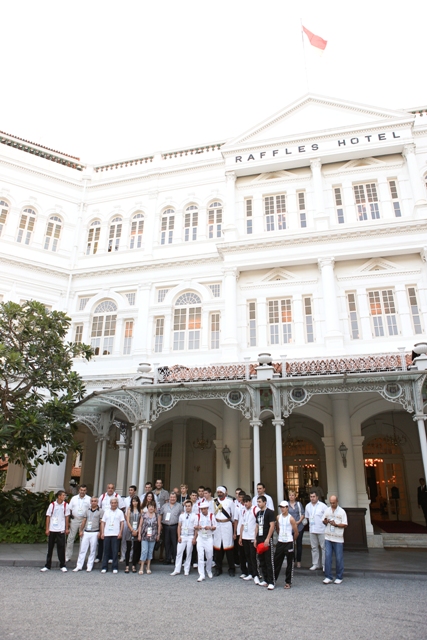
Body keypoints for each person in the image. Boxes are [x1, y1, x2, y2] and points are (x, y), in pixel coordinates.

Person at [41, 490, 70, 572]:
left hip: (61, 529)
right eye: (63, 495)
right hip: (52, 528)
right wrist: (47, 528)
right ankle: (47, 565)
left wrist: (66, 528)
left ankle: (62, 565)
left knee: (61, 547)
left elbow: (67, 517)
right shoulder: (52, 505)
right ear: (59, 496)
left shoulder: (66, 505)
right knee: (50, 547)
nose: (64, 497)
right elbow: (48, 516)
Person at [73, 496, 104, 572]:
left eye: (95, 501)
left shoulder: (101, 511)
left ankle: (89, 566)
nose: (93, 502)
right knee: (82, 549)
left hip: (95, 532)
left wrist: (100, 532)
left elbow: (101, 523)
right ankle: (79, 565)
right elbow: (84, 520)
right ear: (90, 502)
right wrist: (81, 530)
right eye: (92, 501)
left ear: (97, 502)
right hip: (86, 531)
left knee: (93, 550)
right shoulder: (87, 510)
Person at [322, 495, 348, 584]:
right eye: (331, 502)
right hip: (328, 536)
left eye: (333, 502)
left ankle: (339, 576)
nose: (332, 504)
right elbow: (323, 520)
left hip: (338, 538)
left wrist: (336, 524)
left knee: (339, 558)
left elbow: (345, 524)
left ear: (337, 501)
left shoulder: (342, 512)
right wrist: (325, 521)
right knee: (328, 556)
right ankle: (328, 576)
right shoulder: (327, 510)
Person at [274, 501, 299, 589]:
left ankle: (288, 582)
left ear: (287, 508)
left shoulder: (291, 518)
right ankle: (273, 580)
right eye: (281, 507)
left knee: (289, 563)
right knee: (277, 561)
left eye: (284, 507)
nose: (282, 509)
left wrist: (292, 540)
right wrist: (279, 535)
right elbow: (277, 528)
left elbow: (296, 532)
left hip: (289, 542)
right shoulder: (278, 517)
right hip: (280, 542)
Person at [213, 486, 236, 577]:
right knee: (218, 549)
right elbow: (212, 514)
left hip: (227, 525)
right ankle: (218, 569)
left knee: (229, 548)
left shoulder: (230, 502)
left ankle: (231, 569)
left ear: (224, 492)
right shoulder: (214, 502)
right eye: (218, 492)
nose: (219, 493)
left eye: (220, 492)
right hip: (217, 526)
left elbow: (233, 516)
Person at [171, 499, 197, 576]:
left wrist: (194, 538)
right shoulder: (182, 515)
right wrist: (179, 536)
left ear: (191, 507)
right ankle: (177, 569)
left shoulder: (195, 516)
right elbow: (179, 526)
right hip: (183, 535)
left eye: (189, 506)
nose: (188, 508)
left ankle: (186, 569)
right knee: (179, 552)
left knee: (188, 553)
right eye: (186, 506)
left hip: (190, 536)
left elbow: (196, 528)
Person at [254, 495, 276, 589]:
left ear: (264, 502)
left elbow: (272, 526)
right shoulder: (258, 513)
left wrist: (268, 538)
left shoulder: (270, 513)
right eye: (257, 502)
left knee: (268, 560)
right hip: (259, 538)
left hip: (267, 538)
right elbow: (257, 526)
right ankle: (265, 579)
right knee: (261, 560)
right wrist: (255, 538)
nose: (258, 504)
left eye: (260, 502)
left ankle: (271, 581)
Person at [66, 484, 91, 562]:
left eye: (84, 490)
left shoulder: (89, 499)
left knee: (82, 539)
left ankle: (81, 557)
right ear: (79, 490)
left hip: (84, 520)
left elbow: (91, 510)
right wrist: (70, 519)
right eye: (81, 490)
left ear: (86, 491)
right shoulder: (74, 498)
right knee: (70, 538)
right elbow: (69, 509)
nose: (82, 492)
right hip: (75, 520)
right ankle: (67, 556)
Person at [100, 497, 124, 574]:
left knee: (115, 551)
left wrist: (120, 532)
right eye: (112, 503)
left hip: (115, 534)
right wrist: (102, 533)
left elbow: (122, 523)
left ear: (117, 504)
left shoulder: (120, 512)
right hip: (107, 534)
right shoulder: (106, 512)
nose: (113, 504)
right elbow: (103, 522)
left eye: (115, 503)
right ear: (110, 504)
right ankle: (104, 567)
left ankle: (115, 567)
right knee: (106, 551)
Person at [305, 490, 327, 571]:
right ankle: (315, 564)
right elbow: (307, 517)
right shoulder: (307, 506)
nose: (312, 498)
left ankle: (325, 565)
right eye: (311, 497)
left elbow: (327, 517)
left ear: (317, 497)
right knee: (314, 548)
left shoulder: (323, 506)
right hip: (312, 529)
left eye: (314, 497)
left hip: (321, 529)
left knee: (324, 548)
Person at [158, 491, 183, 565]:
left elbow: (182, 516)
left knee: (175, 543)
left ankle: (175, 559)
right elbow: (160, 515)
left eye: (174, 497)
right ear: (169, 498)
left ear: (176, 498)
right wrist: (159, 524)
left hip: (175, 526)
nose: (172, 499)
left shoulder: (180, 506)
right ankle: (167, 558)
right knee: (166, 543)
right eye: (171, 497)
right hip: (165, 526)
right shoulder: (164, 506)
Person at [195, 500, 217, 582]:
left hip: (208, 537)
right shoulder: (197, 516)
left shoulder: (211, 515)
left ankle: (208, 570)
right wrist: (198, 527)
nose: (203, 510)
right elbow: (194, 526)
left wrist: (210, 527)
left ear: (207, 508)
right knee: (200, 556)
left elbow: (215, 526)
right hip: (200, 537)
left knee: (209, 555)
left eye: (204, 509)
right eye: (202, 509)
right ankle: (201, 574)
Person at [238, 495, 258, 582]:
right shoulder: (244, 511)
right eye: (244, 502)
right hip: (245, 536)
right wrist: (241, 537)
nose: (245, 504)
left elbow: (258, 524)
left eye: (246, 502)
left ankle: (256, 574)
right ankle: (250, 573)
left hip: (252, 537)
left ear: (250, 501)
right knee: (247, 556)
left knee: (253, 556)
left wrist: (256, 537)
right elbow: (242, 524)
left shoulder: (255, 509)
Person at [140, 502, 160, 574]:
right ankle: (142, 566)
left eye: (153, 506)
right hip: (145, 535)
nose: (151, 508)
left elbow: (159, 525)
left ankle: (148, 566)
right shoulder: (143, 515)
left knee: (150, 551)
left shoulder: (157, 515)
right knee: (144, 550)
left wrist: (158, 535)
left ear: (154, 508)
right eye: (150, 506)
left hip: (153, 535)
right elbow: (140, 525)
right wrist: (139, 534)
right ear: (147, 507)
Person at [287, 490, 305, 568]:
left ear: (295, 496)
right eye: (290, 495)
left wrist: (298, 522)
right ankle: (292, 560)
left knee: (299, 544)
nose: (291, 497)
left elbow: (302, 514)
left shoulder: (298, 504)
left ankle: (298, 561)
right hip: (290, 527)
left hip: (299, 527)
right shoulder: (286, 505)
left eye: (293, 495)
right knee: (290, 545)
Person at [124, 495, 142, 573]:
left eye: (136, 501)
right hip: (129, 530)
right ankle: (127, 565)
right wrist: (132, 530)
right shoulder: (129, 509)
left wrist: (137, 530)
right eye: (133, 501)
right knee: (128, 549)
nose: (135, 503)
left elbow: (141, 521)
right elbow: (127, 521)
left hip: (137, 531)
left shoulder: (140, 510)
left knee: (135, 549)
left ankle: (134, 565)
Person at [121, 485, 138, 561]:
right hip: (126, 521)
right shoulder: (125, 500)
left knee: (132, 540)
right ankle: (123, 556)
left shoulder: (137, 499)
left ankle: (130, 556)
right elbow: (124, 511)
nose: (130, 491)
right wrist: (127, 521)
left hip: (134, 522)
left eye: (132, 490)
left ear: (135, 491)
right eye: (129, 490)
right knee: (124, 539)